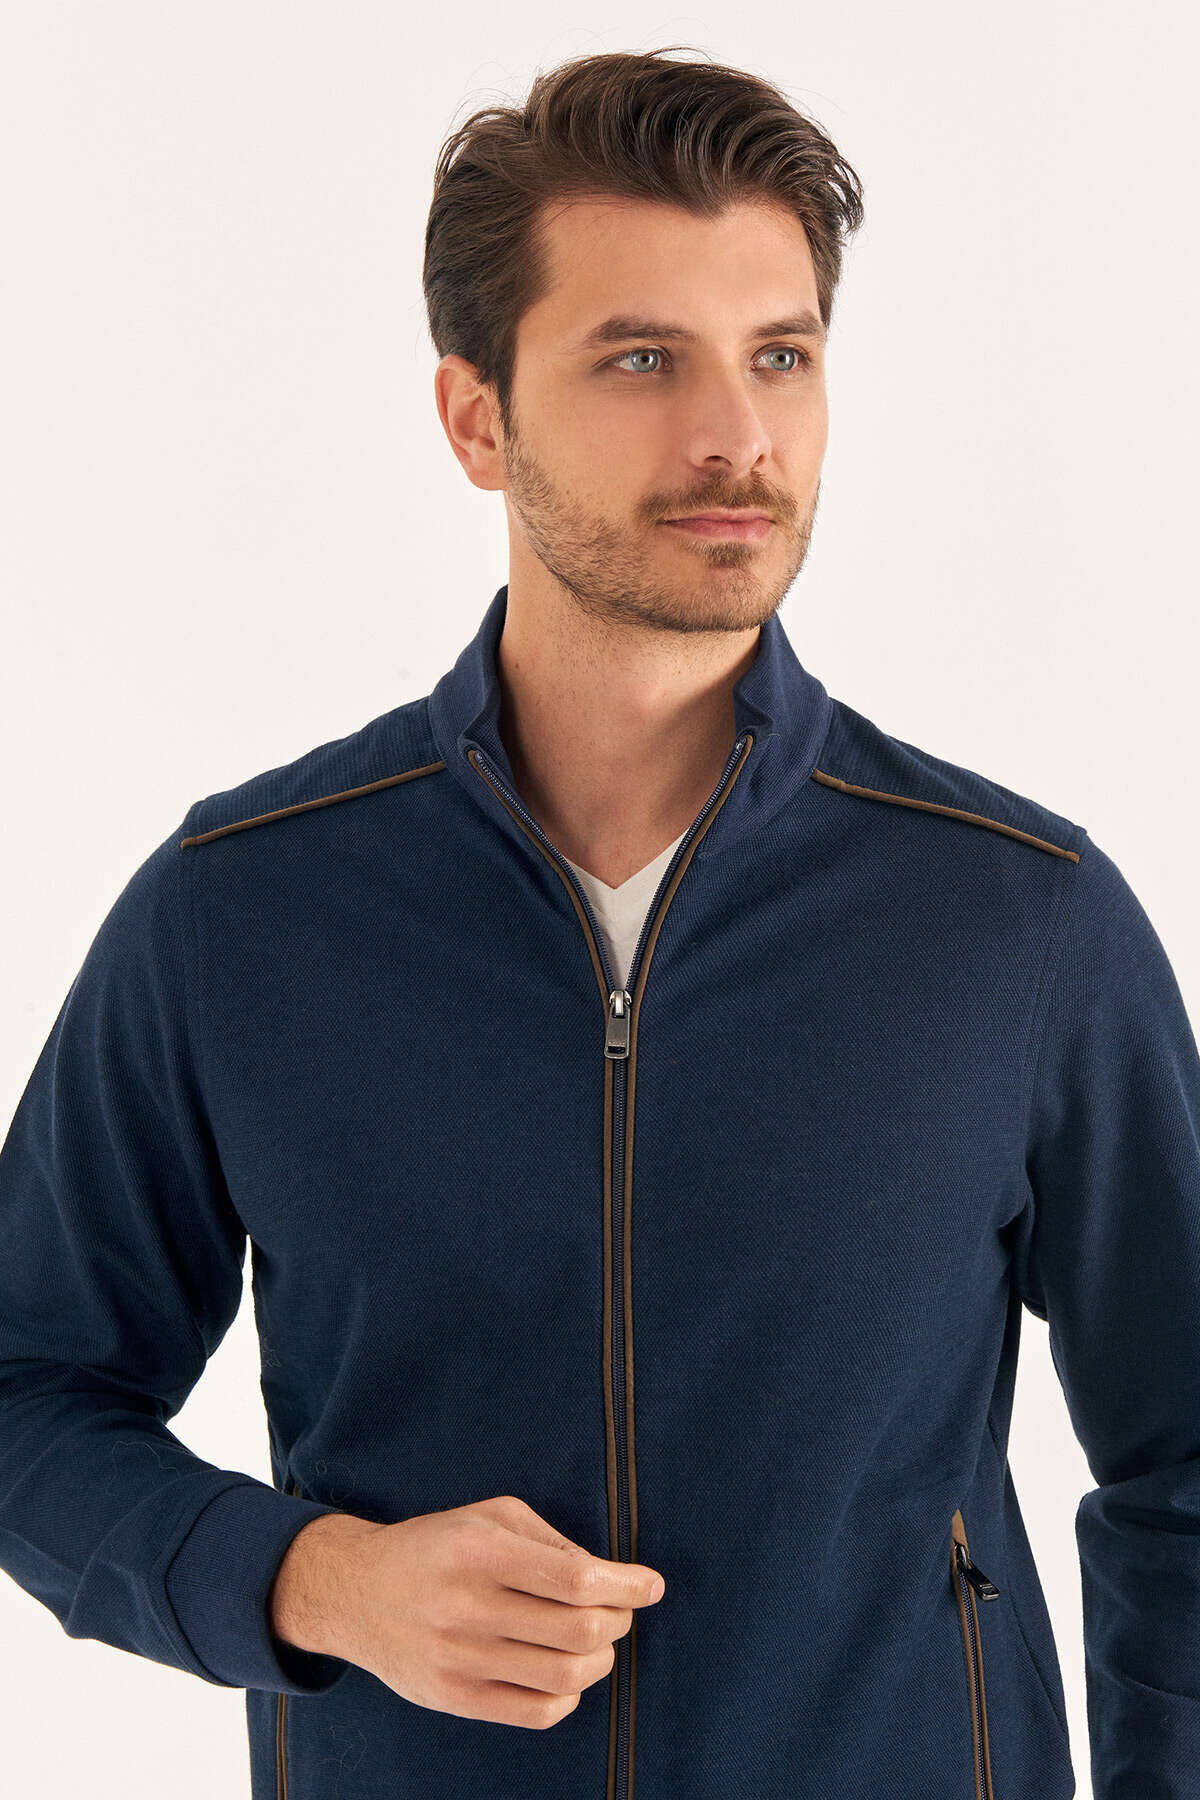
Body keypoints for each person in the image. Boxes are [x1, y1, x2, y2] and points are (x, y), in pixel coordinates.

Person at [1, 44, 1197, 1800]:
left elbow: (1184, 1465)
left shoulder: (1018, 920)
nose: (737, 436)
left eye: (780, 355)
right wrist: (311, 1581)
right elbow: (27, 1392)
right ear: (477, 419)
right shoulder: (241, 911)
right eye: (642, 358)